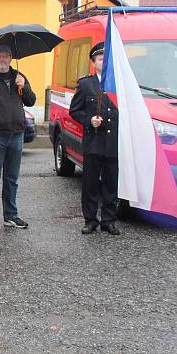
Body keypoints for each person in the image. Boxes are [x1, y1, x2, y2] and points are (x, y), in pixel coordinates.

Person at [0, 44, 37, 231]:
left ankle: (11, 216)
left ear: (11, 57)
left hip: (17, 134)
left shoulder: (19, 77)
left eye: (5, 56)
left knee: (12, 178)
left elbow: (31, 100)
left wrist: (24, 87)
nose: (2, 60)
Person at [68, 43, 121, 235]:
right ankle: (90, 220)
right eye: (100, 59)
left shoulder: (118, 83)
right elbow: (74, 110)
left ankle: (109, 220)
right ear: (93, 62)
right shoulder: (86, 84)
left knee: (110, 183)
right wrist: (89, 120)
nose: (103, 62)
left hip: (113, 142)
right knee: (90, 184)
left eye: (106, 59)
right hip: (94, 142)